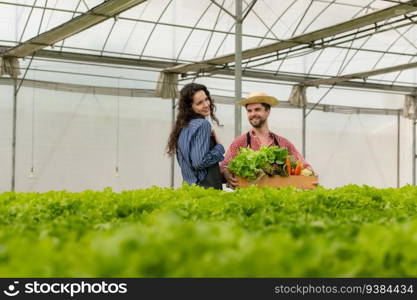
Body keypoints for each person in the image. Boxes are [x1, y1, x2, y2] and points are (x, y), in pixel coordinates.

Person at [220, 92, 313, 188]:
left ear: (267, 111)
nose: (253, 114)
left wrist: (309, 178)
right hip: (248, 197)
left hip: (277, 198)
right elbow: (224, 166)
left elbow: (305, 167)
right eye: (249, 111)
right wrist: (226, 173)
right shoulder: (240, 142)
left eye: (257, 109)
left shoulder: (283, 144)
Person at [167, 83, 225, 190]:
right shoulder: (202, 124)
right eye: (199, 103)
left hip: (190, 188)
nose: (206, 104)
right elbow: (199, 162)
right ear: (190, 107)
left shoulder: (182, 127)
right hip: (205, 190)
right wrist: (220, 147)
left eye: (206, 99)